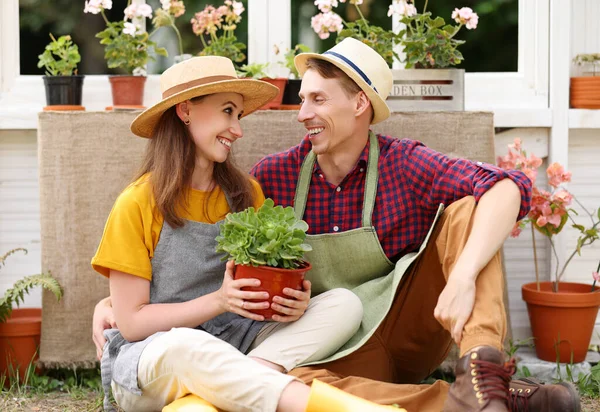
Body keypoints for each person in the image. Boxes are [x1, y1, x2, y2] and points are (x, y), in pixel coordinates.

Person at [94, 41, 581, 412]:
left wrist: (460, 277)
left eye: (317, 100)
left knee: (468, 211)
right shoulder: (272, 178)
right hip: (336, 354)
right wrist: (119, 306)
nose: (302, 114)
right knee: (293, 375)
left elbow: (508, 186)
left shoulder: (402, 165)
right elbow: (174, 281)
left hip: (396, 327)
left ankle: (479, 367)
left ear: (359, 104)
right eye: (302, 99)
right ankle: (467, 401)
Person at [91, 55, 402, 412]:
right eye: (227, 111)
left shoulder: (245, 193)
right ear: (185, 110)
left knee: (344, 304)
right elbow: (131, 324)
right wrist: (219, 301)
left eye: (238, 116)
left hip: (233, 344)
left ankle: (219, 393)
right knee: (186, 346)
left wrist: (290, 302)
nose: (237, 129)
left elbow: (259, 285)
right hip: (152, 361)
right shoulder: (137, 202)